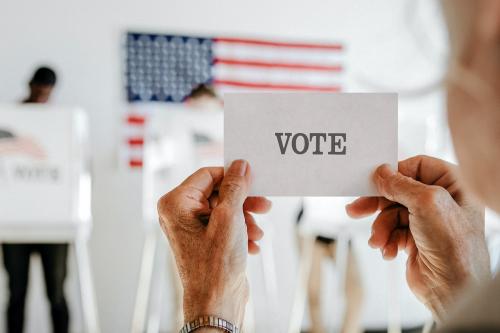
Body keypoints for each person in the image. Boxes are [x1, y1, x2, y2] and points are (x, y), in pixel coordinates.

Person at [156, 0, 500, 332]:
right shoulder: (181, 136)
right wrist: (461, 291)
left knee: (352, 291)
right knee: (318, 296)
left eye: (454, 60)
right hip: (312, 223)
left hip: (341, 226)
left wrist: (208, 312)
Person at [2, 66, 70, 333]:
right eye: (38, 90)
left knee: (56, 293)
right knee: (16, 292)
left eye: (47, 92)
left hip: (54, 220)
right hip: (15, 220)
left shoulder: (59, 124)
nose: (42, 96)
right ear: (30, 85)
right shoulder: (8, 121)